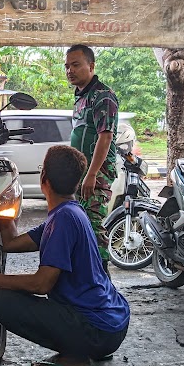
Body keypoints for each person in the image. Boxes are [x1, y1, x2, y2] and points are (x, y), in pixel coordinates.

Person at [0, 145, 129, 366]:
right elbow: (11, 243)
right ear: (76, 183)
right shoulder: (70, 212)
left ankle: (75, 359)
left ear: (43, 178)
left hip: (99, 330)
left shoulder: (63, 220)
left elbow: (42, 284)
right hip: (113, 322)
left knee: (1, 304)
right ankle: (87, 348)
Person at [65, 44, 119, 272]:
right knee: (81, 224)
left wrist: (92, 174)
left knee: (94, 226)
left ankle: (103, 282)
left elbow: (105, 137)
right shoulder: (81, 97)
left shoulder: (102, 96)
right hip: (82, 172)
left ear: (91, 66)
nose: (70, 70)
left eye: (76, 65)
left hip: (95, 174)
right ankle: (85, 279)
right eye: (67, 66)